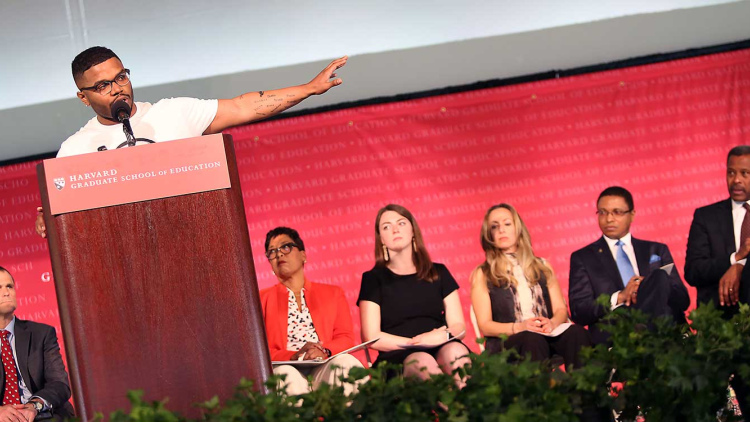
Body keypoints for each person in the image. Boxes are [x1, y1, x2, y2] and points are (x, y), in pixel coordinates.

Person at [35, 46, 347, 236]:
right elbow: (59, 217)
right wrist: (46, 219)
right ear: (83, 98)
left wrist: (308, 88)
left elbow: (243, 106)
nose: (118, 88)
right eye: (103, 85)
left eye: (121, 77)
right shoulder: (76, 150)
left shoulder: (173, 113)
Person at [358, 204, 470, 385]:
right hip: (397, 355)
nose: (395, 229)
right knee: (422, 361)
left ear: (412, 231)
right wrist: (417, 343)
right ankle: (456, 411)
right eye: (386, 227)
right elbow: (372, 337)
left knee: (455, 352)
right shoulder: (372, 279)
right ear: (381, 239)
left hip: (440, 344)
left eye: (401, 223)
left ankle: (471, 408)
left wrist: (444, 336)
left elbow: (459, 326)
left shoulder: (439, 272)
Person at [470, 203, 591, 371]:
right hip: (509, 341)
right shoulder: (482, 273)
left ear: (518, 228)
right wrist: (519, 327)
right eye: (494, 227)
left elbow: (560, 310)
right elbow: (485, 325)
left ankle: (587, 391)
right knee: (532, 339)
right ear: (488, 234)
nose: (501, 230)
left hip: (546, 334)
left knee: (577, 333)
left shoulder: (542, 266)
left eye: (507, 224)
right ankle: (540, 396)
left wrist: (552, 323)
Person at [568, 186, 690, 345]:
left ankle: (651, 332)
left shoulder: (656, 250)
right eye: (603, 212)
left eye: (617, 212)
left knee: (659, 277)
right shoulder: (583, 258)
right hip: (617, 332)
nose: (609, 219)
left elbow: (682, 300)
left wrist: (652, 287)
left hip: (663, 324)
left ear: (632, 215)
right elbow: (579, 311)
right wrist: (619, 296)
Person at [259, 227, 364, 396]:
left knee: (346, 364)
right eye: (272, 251)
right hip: (286, 366)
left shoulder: (332, 293)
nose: (279, 254)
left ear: (303, 255)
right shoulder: (260, 300)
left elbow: (345, 338)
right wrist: (295, 355)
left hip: (324, 365)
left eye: (285, 247)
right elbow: (260, 350)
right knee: (285, 376)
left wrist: (323, 351)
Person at [685, 146, 750, 415]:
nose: (736, 180)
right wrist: (734, 257)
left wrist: (739, 266)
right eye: (731, 172)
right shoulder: (706, 216)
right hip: (718, 324)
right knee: (707, 406)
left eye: (745, 173)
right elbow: (693, 271)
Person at [0, 267, 74, 421]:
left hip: (40, 415)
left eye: (9, 286)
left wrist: (35, 405)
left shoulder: (41, 334)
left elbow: (59, 384)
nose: (7, 292)